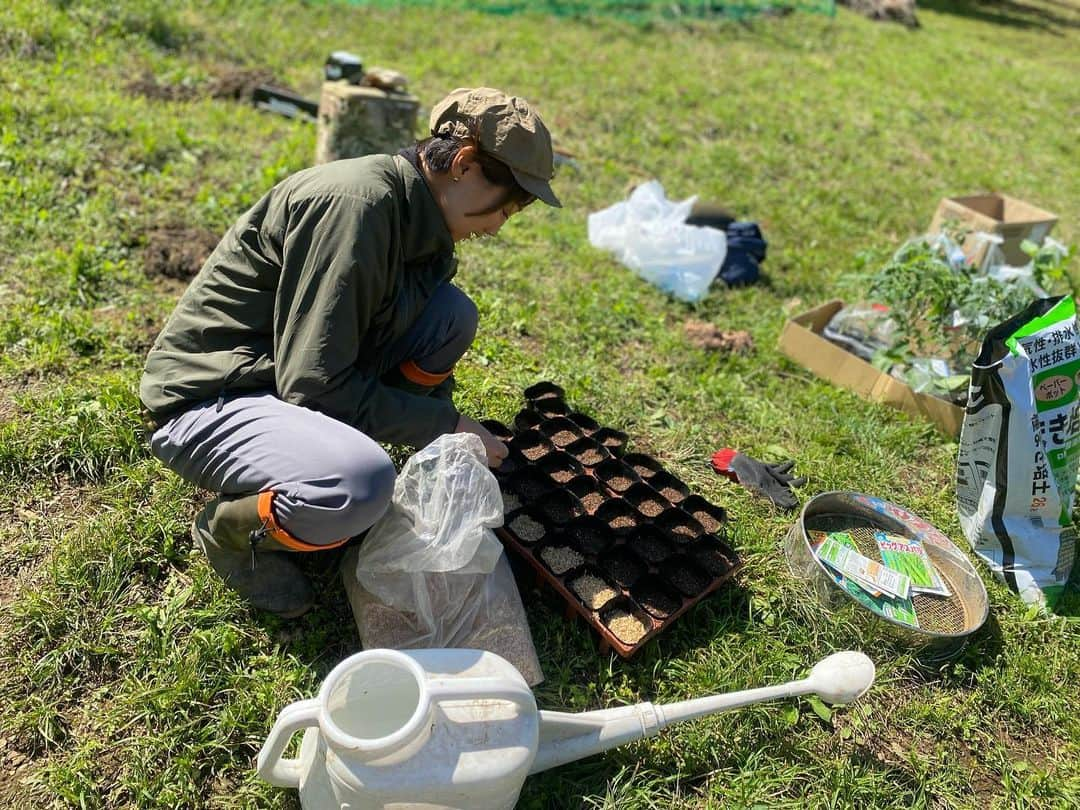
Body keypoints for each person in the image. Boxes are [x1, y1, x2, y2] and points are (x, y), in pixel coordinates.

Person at [140, 87, 561, 618]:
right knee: (360, 483)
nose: (501, 224)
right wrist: (445, 424)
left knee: (451, 315)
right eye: (507, 205)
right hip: (213, 397)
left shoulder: (419, 217)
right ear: (463, 163)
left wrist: (438, 436)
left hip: (286, 376)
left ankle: (349, 459)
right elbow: (314, 385)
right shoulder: (357, 207)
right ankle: (228, 531)